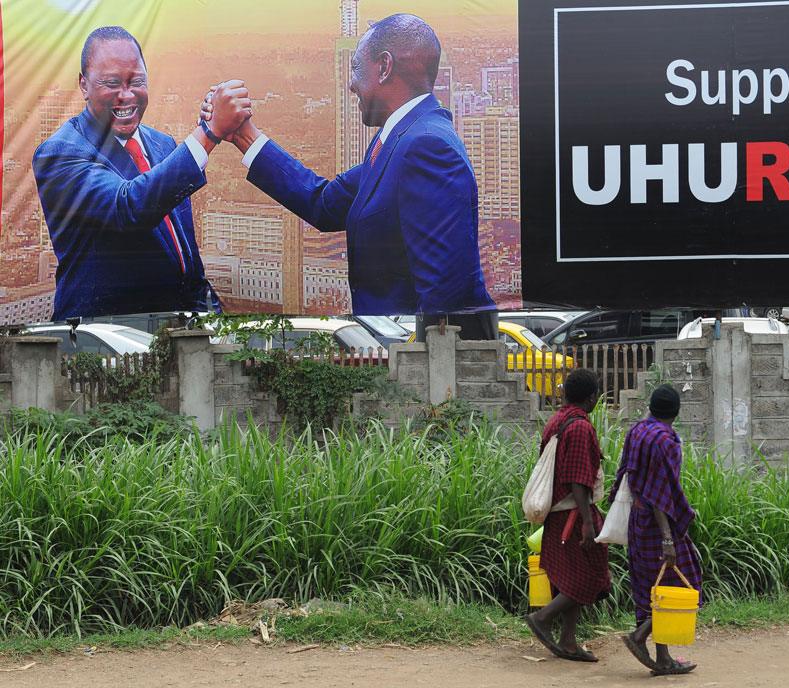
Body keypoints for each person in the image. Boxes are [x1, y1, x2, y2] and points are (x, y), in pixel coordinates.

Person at [202, 14, 497, 336]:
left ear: (384, 67)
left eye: (356, 68)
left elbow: (443, 297)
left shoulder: (425, 147)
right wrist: (243, 134)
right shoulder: (399, 140)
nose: (351, 83)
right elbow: (325, 204)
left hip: (425, 368)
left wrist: (410, 370)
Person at [32, 26, 248, 320]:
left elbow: (184, 253)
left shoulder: (162, 144)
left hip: (180, 332)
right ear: (83, 85)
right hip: (104, 341)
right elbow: (129, 205)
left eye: (137, 82)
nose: (126, 95)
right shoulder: (60, 153)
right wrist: (207, 134)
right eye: (112, 83)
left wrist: (209, 314)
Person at [524, 368, 611, 662]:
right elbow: (577, 479)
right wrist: (588, 522)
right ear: (591, 397)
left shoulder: (558, 420)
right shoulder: (580, 427)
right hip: (573, 515)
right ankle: (542, 618)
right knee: (592, 577)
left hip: (560, 515)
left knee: (573, 578)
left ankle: (569, 641)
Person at [614, 384, 700, 676]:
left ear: (651, 407)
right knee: (685, 581)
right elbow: (660, 494)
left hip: (637, 520)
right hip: (656, 524)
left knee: (650, 588)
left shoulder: (638, 430)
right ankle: (639, 638)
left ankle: (663, 658)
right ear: (676, 413)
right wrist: (667, 538)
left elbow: (627, 474)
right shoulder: (666, 441)